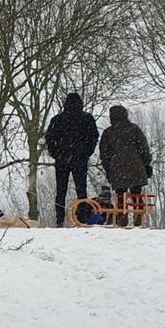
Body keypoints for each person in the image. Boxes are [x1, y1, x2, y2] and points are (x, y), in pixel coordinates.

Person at [45, 92, 100, 227]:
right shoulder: (87, 118)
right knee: (81, 189)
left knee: (61, 190)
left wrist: (56, 153)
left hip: (62, 158)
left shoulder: (57, 119)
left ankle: (59, 220)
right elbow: (93, 137)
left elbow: (49, 138)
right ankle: (82, 218)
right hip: (80, 159)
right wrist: (86, 152)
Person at [98, 105, 152, 226]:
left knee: (120, 195)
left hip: (117, 168)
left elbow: (104, 153)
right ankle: (139, 220)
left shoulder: (108, 132)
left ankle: (121, 220)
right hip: (136, 166)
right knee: (136, 194)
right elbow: (143, 148)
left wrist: (108, 169)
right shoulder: (134, 129)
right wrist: (146, 164)